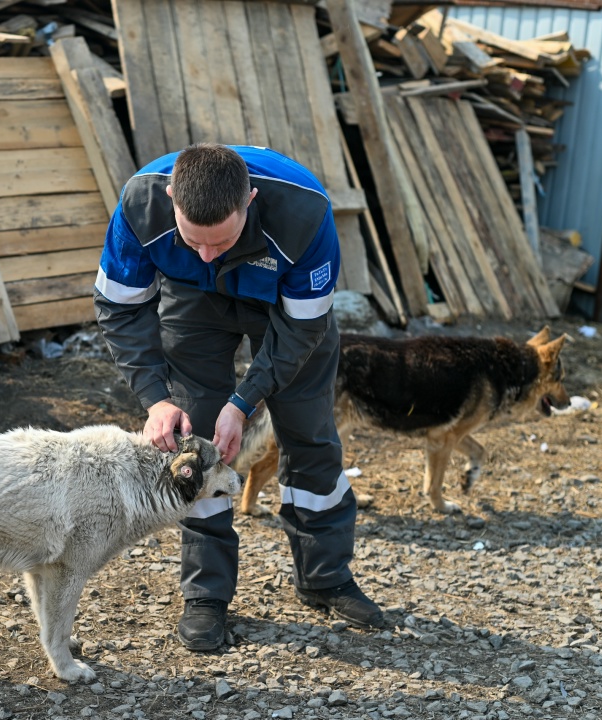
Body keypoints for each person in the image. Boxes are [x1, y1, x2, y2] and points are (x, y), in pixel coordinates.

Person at [93, 143, 384, 651]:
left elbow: (301, 330)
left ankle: (326, 576)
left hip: (283, 306)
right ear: (170, 200)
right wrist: (155, 398)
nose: (208, 253)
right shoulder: (140, 206)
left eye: (220, 241)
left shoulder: (304, 212)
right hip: (194, 300)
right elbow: (120, 310)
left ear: (249, 200)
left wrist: (245, 401)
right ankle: (206, 594)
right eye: (194, 241)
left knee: (310, 433)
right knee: (196, 438)